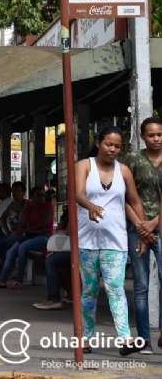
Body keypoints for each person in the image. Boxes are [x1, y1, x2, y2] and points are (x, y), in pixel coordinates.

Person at [76, 126, 146, 355]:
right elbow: (77, 194)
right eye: (109, 144)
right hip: (87, 241)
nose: (113, 149)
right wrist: (91, 206)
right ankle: (85, 339)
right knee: (89, 291)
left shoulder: (123, 170)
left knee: (115, 289)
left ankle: (125, 339)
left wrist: (143, 231)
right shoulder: (84, 165)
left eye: (117, 146)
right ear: (98, 143)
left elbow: (134, 202)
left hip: (115, 241)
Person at [123, 117, 162, 354]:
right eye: (151, 135)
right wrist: (140, 226)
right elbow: (124, 197)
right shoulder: (133, 160)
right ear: (142, 136)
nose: (156, 139)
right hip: (135, 228)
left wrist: (153, 223)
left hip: (158, 225)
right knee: (141, 284)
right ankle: (144, 339)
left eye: (160, 134)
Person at [0, 186, 54, 289]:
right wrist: (26, 210)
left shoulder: (48, 207)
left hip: (43, 236)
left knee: (22, 248)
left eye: (43, 195)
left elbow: (43, 223)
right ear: (32, 197)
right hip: (29, 236)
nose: (41, 197)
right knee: (11, 252)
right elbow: (22, 224)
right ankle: (2, 280)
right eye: (38, 195)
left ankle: (19, 280)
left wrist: (25, 230)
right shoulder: (29, 207)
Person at [0, 181, 28, 276]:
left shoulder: (27, 205)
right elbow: (2, 218)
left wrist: (18, 231)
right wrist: (7, 231)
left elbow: (29, 222)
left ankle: (12, 269)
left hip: (25, 234)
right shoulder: (11, 205)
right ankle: (11, 268)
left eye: (19, 191)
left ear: (24, 193)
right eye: (14, 191)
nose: (16, 193)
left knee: (5, 244)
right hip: (13, 234)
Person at [33, 208, 71, 310]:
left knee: (52, 260)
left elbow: (70, 229)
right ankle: (67, 294)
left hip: (82, 249)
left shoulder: (80, 210)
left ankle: (54, 298)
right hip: (70, 247)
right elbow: (61, 228)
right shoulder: (70, 210)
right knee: (49, 257)